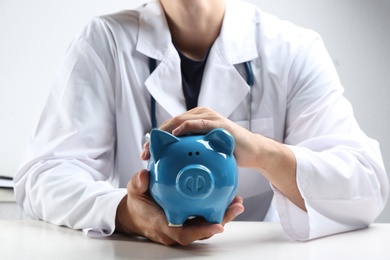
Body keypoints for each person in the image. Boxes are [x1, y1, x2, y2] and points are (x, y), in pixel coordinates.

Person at [14, 0, 389, 246]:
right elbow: (43, 175)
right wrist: (127, 213)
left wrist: (262, 152)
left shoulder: (293, 49)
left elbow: (367, 186)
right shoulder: (105, 40)